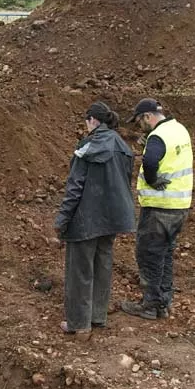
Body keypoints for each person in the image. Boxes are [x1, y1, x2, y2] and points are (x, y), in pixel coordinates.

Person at [54, 101, 137, 335]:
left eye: (86, 121)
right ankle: (97, 317)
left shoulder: (89, 146)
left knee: (80, 271)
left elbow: (75, 187)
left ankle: (79, 324)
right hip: (112, 218)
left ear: (92, 120)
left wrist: (62, 220)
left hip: (86, 218)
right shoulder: (122, 145)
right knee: (102, 266)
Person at [121, 99, 193, 321]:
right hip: (179, 206)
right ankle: (164, 301)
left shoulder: (158, 136)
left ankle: (150, 305)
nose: (139, 126)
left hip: (160, 207)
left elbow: (151, 161)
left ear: (148, 117)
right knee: (166, 253)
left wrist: (151, 180)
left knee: (149, 254)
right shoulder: (179, 129)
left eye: (140, 121)